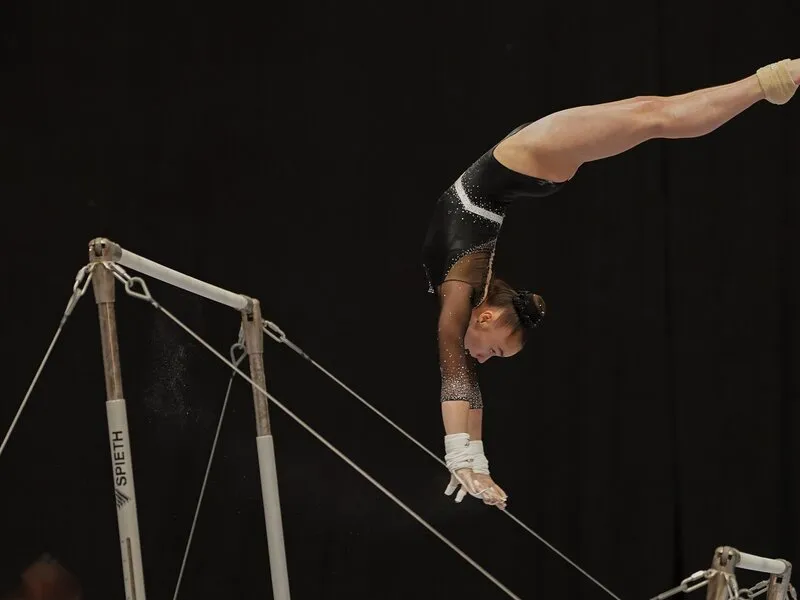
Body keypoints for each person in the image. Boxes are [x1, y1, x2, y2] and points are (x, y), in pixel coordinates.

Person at [421, 58, 799, 510]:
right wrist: (478, 466)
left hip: (523, 158)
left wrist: (460, 455)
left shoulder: (458, 294)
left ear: (487, 316)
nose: (482, 357)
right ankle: (767, 83)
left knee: (655, 116)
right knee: (653, 115)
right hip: (523, 163)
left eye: (493, 351)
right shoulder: (465, 292)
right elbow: (468, 384)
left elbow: (456, 376)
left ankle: (774, 79)